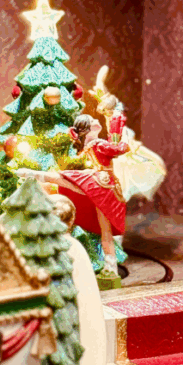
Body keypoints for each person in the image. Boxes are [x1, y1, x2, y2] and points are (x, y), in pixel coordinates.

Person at [18, 113, 128, 285]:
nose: (96, 120)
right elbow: (119, 149)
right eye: (92, 120)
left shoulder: (90, 145)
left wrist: (114, 127)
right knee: (105, 229)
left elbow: (112, 147)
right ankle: (111, 266)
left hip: (99, 180)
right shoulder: (98, 144)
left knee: (68, 181)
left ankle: (37, 174)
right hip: (103, 183)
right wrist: (123, 138)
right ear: (88, 129)